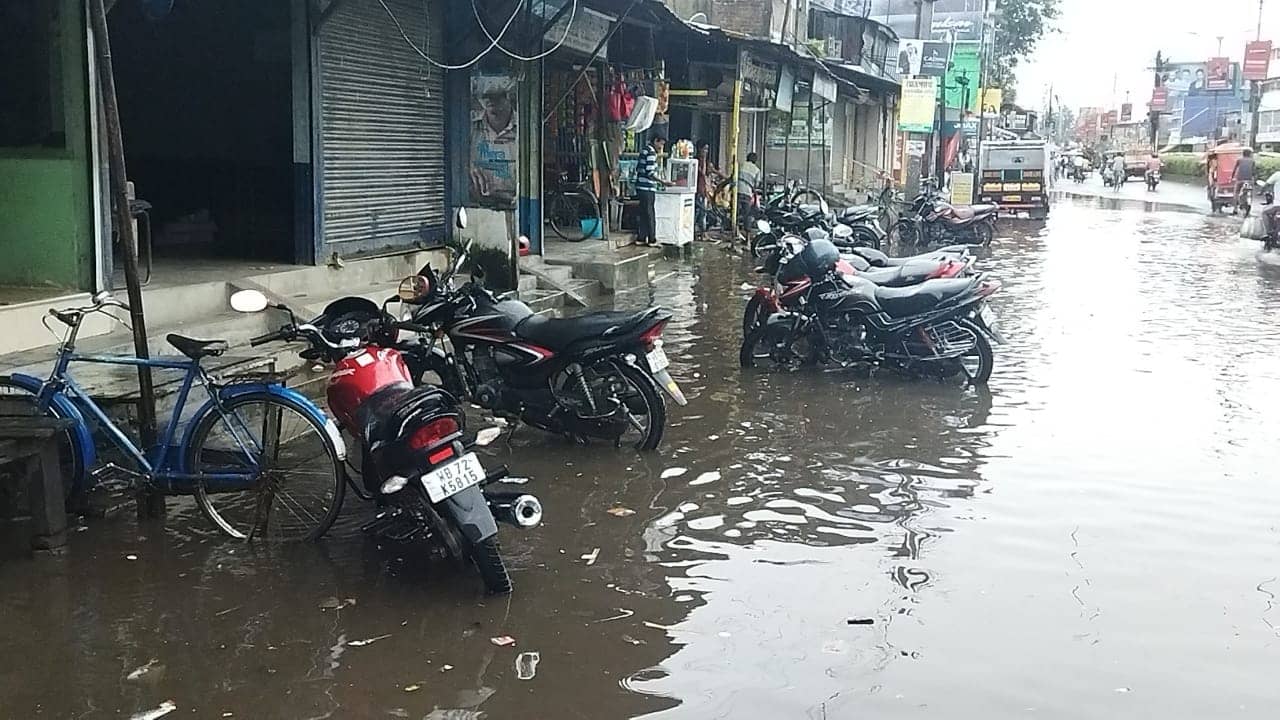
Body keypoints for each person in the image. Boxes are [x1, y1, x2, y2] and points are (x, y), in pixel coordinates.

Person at [635, 134, 667, 247]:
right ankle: (652, 239)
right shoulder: (652, 152)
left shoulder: (644, 150)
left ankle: (641, 238)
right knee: (649, 213)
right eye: (661, 143)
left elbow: (639, 168)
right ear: (655, 141)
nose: (661, 146)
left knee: (643, 213)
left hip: (640, 186)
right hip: (647, 187)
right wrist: (662, 182)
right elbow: (650, 172)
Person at [694, 140, 719, 233]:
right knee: (699, 213)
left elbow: (713, 171)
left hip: (705, 190)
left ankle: (702, 233)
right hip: (698, 190)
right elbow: (703, 173)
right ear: (699, 149)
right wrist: (703, 161)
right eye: (704, 149)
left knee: (704, 213)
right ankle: (699, 233)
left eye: (707, 149)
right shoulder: (696, 161)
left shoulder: (707, 162)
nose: (706, 151)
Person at [737, 151, 761, 227]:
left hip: (737, 191)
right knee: (747, 214)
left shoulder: (741, 165)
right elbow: (756, 184)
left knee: (735, 212)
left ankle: (734, 227)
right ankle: (747, 233)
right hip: (747, 193)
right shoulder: (757, 170)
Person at [1231, 148, 1258, 214]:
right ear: (1249, 154)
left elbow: (1234, 169)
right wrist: (1254, 180)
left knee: (1236, 193)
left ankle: (1235, 209)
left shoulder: (1239, 160)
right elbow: (1254, 172)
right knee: (1249, 191)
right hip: (1249, 180)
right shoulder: (1252, 161)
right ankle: (1246, 203)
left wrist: (1232, 177)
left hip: (1239, 179)